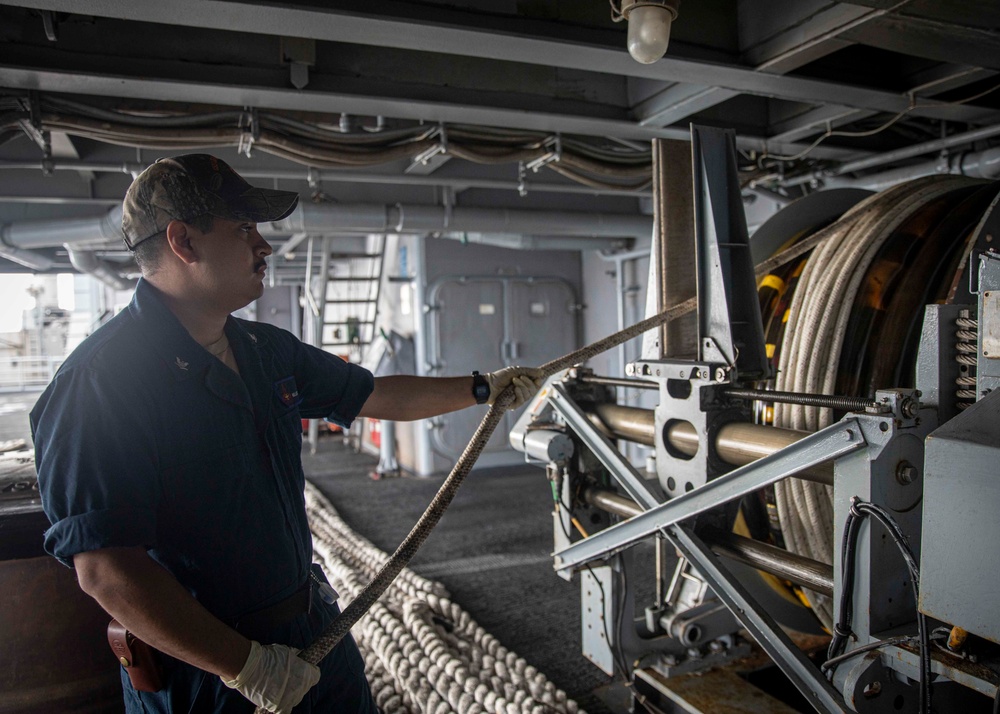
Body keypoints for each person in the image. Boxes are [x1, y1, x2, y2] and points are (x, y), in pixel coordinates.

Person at [29, 154, 544, 714]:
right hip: (210, 670)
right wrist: (244, 666)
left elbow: (373, 394)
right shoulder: (100, 383)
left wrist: (481, 389)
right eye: (244, 228)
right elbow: (106, 570)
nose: (264, 245)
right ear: (183, 242)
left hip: (313, 625)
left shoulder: (263, 349)